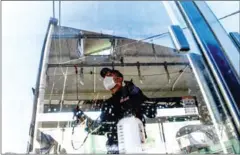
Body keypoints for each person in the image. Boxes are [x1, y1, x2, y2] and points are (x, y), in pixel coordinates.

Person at [73, 68, 157, 154]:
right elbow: (97, 128)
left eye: (109, 75)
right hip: (115, 149)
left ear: (119, 79)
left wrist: (137, 94)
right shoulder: (108, 104)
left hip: (134, 146)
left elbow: (152, 112)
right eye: (105, 78)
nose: (106, 79)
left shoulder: (132, 94)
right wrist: (81, 116)